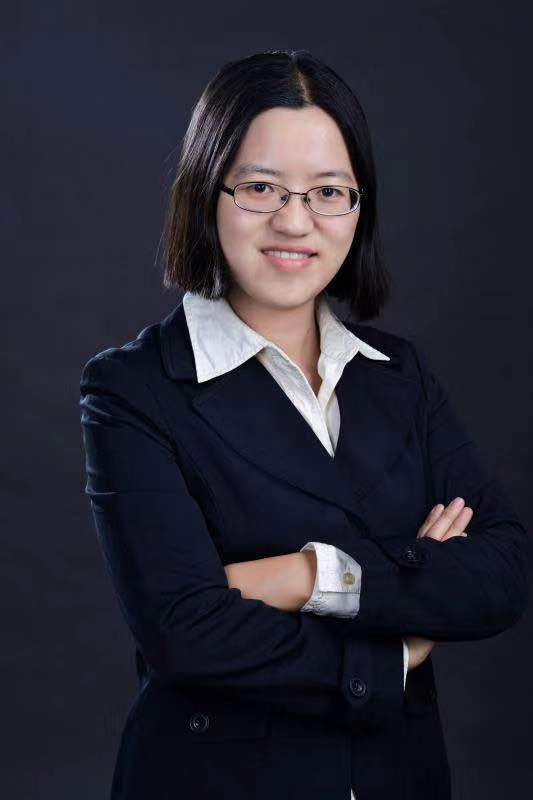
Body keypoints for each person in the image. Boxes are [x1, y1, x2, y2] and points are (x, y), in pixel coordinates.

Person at [79, 49, 529, 800]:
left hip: (397, 776)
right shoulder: (132, 389)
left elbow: (503, 573)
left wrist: (308, 577)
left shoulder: (399, 375)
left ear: (359, 207)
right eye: (260, 187)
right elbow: (184, 631)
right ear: (206, 191)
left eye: (328, 192)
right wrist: (396, 644)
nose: (295, 221)